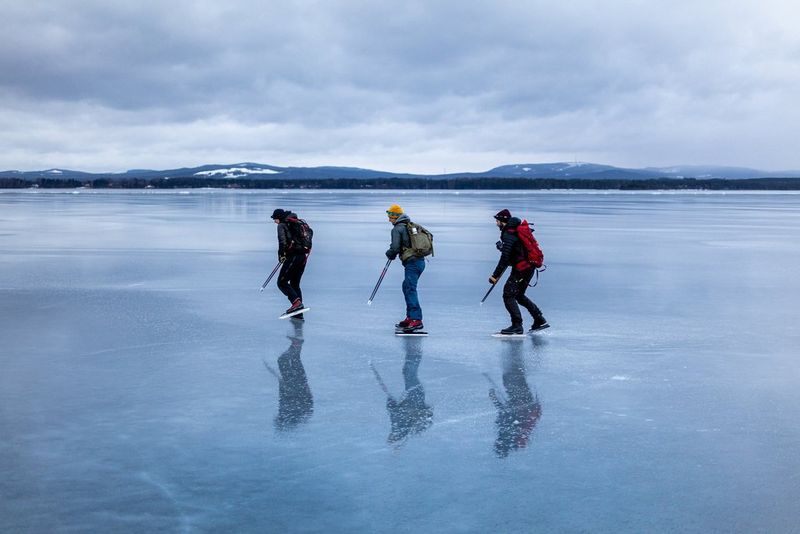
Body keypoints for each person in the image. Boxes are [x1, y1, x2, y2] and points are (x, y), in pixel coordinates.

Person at [489, 209, 549, 335]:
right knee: (519, 295)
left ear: (503, 221)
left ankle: (517, 325)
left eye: (497, 221)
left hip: (522, 270)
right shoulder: (515, 231)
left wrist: (495, 275)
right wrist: (503, 248)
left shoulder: (509, 234)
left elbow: (505, 258)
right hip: (528, 268)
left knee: (508, 294)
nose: (496, 223)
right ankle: (539, 319)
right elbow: (515, 254)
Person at [385, 204, 426, 332]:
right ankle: (410, 317)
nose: (389, 219)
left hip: (413, 263)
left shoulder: (397, 228)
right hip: (419, 262)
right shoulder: (408, 226)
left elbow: (395, 248)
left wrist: (390, 254)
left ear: (396, 216)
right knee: (407, 287)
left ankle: (416, 320)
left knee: (409, 288)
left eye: (390, 216)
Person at [272, 208, 311, 319]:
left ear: (279, 218)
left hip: (293, 256)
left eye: (275, 219)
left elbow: (282, 242)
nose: (274, 222)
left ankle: (296, 303)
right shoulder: (296, 222)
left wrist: (281, 255)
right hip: (303, 257)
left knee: (282, 282)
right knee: (295, 284)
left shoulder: (282, 225)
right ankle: (298, 313)